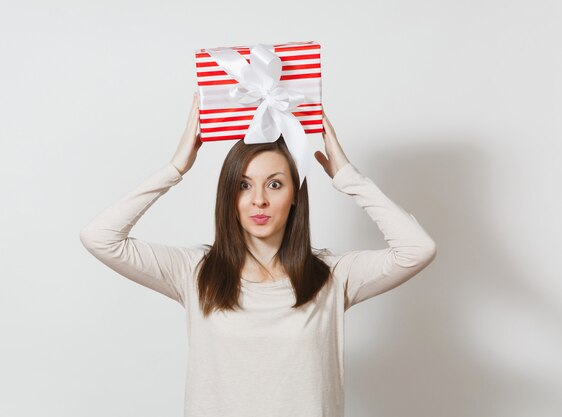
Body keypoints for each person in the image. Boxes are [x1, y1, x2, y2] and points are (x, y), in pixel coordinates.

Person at [79, 92, 437, 417]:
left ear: (295, 194)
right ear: (229, 197)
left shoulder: (333, 275)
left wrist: (348, 177)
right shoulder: (193, 272)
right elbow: (100, 237)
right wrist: (175, 168)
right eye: (244, 185)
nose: (259, 200)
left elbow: (417, 250)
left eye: (275, 184)